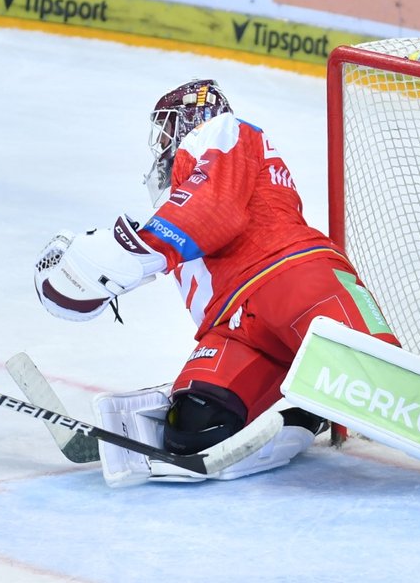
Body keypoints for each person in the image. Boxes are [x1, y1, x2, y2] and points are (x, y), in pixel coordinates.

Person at [33, 79, 399, 484]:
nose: (163, 146)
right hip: (237, 330)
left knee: (383, 389)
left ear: (193, 118)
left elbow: (214, 213)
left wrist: (122, 255)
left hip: (294, 280)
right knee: (193, 430)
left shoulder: (223, 132)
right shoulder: (176, 209)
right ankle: (308, 406)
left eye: (168, 130)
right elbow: (181, 228)